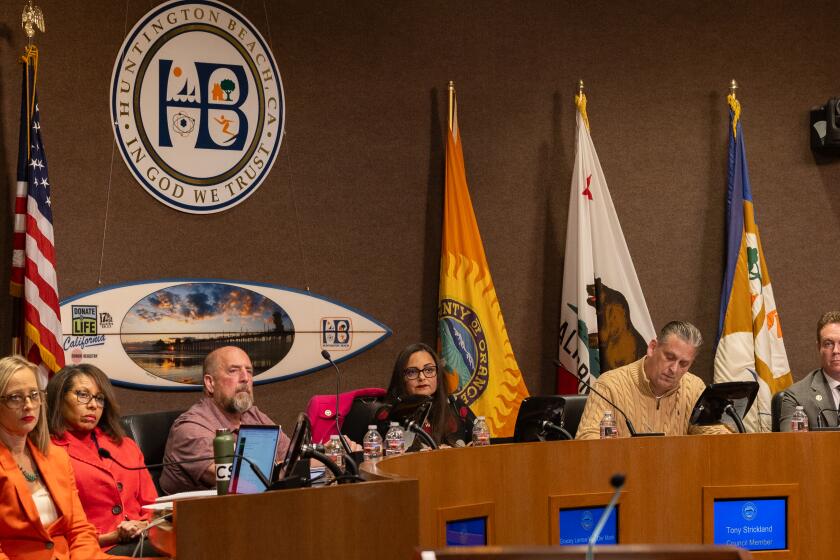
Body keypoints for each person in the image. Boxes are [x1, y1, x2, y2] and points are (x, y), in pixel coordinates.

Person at [0, 355, 125, 559]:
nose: (29, 405)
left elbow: (79, 529)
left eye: (34, 394)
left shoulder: (56, 456)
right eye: (15, 397)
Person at [45, 364, 163, 556]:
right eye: (83, 395)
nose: (93, 405)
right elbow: (58, 531)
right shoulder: (48, 452)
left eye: (99, 398)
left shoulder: (125, 445)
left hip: (146, 537)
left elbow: (153, 505)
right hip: (94, 548)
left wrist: (143, 524)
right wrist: (114, 535)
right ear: (59, 397)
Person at [160, 346, 290, 494]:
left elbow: (297, 459)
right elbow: (240, 482)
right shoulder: (190, 428)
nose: (245, 378)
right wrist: (282, 466)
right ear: (210, 383)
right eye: (233, 371)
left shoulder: (254, 415)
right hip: (202, 514)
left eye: (249, 371)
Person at [576, 321, 730, 439]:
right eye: (669, 357)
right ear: (652, 347)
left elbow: (712, 433)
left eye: (684, 364)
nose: (674, 369)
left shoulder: (694, 388)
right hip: (623, 476)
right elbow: (587, 439)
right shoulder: (610, 386)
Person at [386, 343, 473, 448]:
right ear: (401, 378)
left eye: (429, 370)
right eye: (412, 372)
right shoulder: (390, 414)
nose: (422, 377)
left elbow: (482, 441)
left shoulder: (454, 404)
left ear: (438, 374)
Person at [779, 311, 840, 430]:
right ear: (819, 347)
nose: (836, 351)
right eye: (828, 344)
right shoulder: (797, 396)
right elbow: (790, 444)